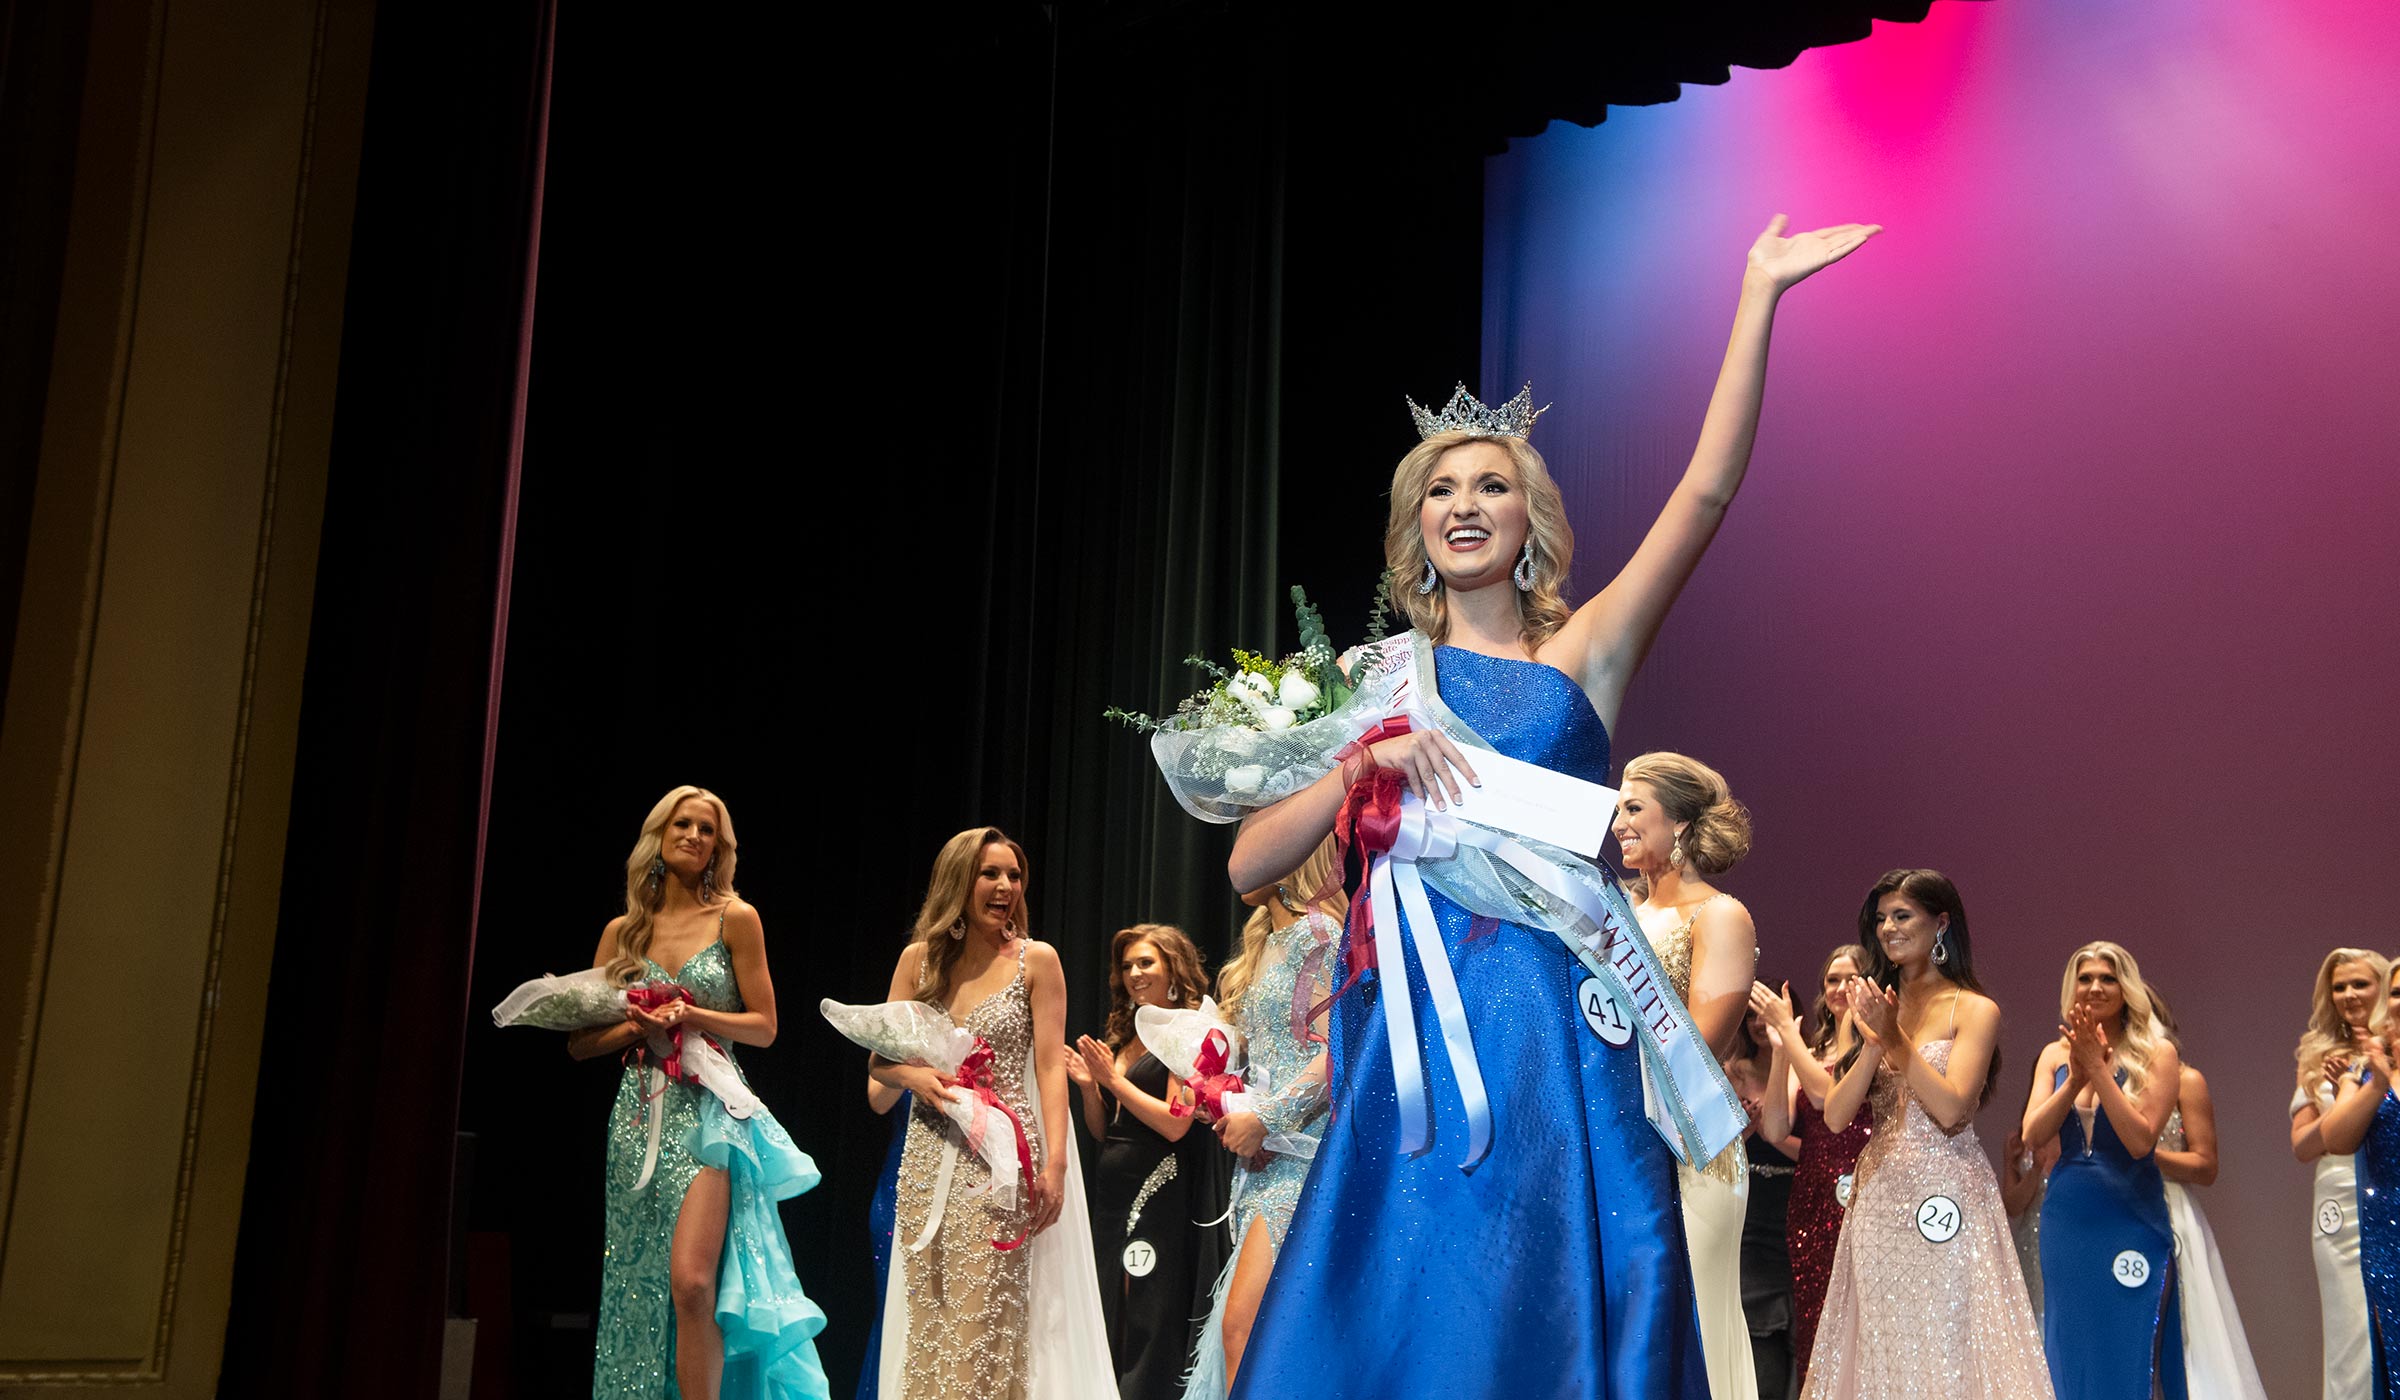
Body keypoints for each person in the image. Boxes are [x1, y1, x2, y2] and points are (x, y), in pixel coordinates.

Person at [1143, 213, 1878, 1399]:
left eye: (1494, 484)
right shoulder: (1374, 686)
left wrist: (1757, 297)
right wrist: (1360, 761)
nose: (1468, 503)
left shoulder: (1578, 657)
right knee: (1419, 1281)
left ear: (1529, 519)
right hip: (1418, 1026)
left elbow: (1704, 493)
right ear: (1417, 528)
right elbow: (1245, 865)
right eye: (1445, 489)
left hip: (1552, 1013)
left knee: (1562, 1274)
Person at [565, 785, 828, 1400]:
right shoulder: (623, 933)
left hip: (713, 1113)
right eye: (682, 825)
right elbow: (580, 1044)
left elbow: (764, 1027)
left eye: (707, 830)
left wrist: (691, 1015)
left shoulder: (736, 918)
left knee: (691, 1282)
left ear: (719, 847)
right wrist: (635, 1025)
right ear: (659, 838)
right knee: (638, 1281)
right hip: (638, 1116)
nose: (694, 836)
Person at [867, 828, 1113, 1399]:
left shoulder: (1037, 960)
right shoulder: (918, 962)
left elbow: (1051, 1068)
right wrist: (915, 1077)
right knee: (929, 1335)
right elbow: (878, 1073)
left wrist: (1055, 1167)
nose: (1005, 886)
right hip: (926, 1163)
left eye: (1014, 875)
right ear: (959, 881)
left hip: (1003, 1164)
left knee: (983, 1333)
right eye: (990, 874)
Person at [1798, 870, 2050, 1399]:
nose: (1888, 928)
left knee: (1947, 1335)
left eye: (1902, 915)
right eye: (1882, 918)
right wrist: (1871, 1043)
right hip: (1880, 1195)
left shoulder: (1975, 1009)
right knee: (1884, 1341)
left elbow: (1953, 1108)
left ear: (1941, 923)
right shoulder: (1871, 1004)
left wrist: (1896, 1039)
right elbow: (1838, 1115)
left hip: (1947, 1195)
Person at [1616, 751, 1761, 1400]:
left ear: (1678, 823)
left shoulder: (1720, 916)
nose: (1618, 820)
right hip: (1625, 1144)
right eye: (1618, 808)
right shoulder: (1619, 915)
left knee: (1694, 1322)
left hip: (1691, 1149)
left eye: (1633, 807)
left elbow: (1702, 1046)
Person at [1182, 838, 1345, 1399]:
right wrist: (1214, 1086)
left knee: (1244, 1329)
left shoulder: (1321, 937)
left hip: (1304, 1160)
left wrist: (1267, 1117)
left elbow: (1338, 1052)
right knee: (1254, 1336)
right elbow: (1271, 1054)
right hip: (1260, 1162)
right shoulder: (1265, 944)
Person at [1067, 924, 1230, 1399]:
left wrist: (1112, 1082)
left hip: (1158, 1188)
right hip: (1113, 1191)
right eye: (1127, 966)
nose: (1134, 973)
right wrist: (1088, 1088)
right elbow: (1104, 1132)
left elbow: (1177, 1124)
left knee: (1147, 1305)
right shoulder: (1126, 1034)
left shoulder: (1188, 1032)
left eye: (1146, 963)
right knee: (1111, 1305)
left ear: (1173, 972)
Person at [2020, 943, 2184, 1400]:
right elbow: (2034, 1133)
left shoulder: (2158, 1054)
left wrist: (2099, 1069)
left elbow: (2140, 1140)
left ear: (2127, 988)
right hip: (2068, 1217)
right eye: (2085, 977)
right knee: (2069, 1348)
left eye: (2107, 978)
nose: (2095, 987)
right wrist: (2074, 1077)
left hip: (2131, 1217)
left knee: (2131, 1349)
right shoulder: (2054, 1055)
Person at [1752, 945, 1872, 1386]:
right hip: (1813, 1195)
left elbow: (1824, 1097)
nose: (1840, 988)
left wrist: (1790, 1034)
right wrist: (1783, 1048)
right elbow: (1776, 1126)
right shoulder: (1814, 1046)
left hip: (1868, 1190)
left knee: (1862, 1320)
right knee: (1817, 1319)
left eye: (1850, 978)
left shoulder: (1875, 1043)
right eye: (1831, 980)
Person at [2144, 990, 2269, 1400]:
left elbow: (2205, 1165)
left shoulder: (2185, 1079)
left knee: (2184, 1333)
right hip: (2111, 1210)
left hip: (2168, 1210)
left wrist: (2142, 1153)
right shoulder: (2098, 1079)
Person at [2293, 947, 2389, 1400]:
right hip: (2341, 1207)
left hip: (2390, 1194)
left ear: (2384, 988)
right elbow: (2303, 1145)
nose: (2348, 995)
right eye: (2339, 987)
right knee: (2350, 1331)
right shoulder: (2320, 1057)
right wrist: (2341, 1102)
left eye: (2359, 984)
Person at [2317, 961, 2400, 1398]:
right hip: (2389, 1234)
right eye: (2399, 992)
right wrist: (2377, 1082)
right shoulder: (2363, 1072)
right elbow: (2335, 1137)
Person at [1728, 998, 1800, 1400]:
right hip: (1751, 1214)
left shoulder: (1804, 1066)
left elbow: (1828, 1145)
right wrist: (1745, 1134)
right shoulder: (1729, 1070)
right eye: (1751, 1012)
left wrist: (1776, 1137)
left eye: (1767, 1012)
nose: (1758, 1022)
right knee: (1762, 1350)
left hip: (1800, 1207)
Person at [2000, 1062, 2059, 1322]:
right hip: (2031, 1241)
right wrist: (2032, 1169)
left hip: (2067, 1235)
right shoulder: (2022, 1140)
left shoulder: (2081, 1136)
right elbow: (2012, 1206)